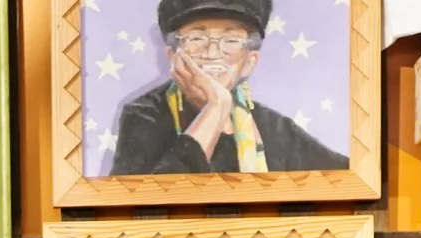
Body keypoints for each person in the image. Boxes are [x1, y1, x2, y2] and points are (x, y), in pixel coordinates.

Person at [108, 0, 349, 177]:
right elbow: (144, 202)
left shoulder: (276, 130)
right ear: (173, 55)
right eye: (197, 38)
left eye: (231, 40)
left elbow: (351, 177)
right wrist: (216, 108)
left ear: (250, 61)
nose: (213, 52)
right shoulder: (145, 114)